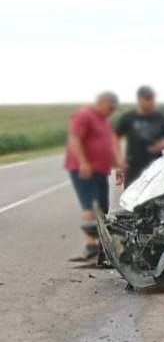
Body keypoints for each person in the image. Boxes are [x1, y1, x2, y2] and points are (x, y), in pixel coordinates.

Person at [65, 92, 121, 261]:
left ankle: (103, 245)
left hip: (100, 170)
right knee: (89, 206)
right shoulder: (84, 115)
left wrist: (117, 164)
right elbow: (75, 140)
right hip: (84, 170)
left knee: (103, 207)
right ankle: (90, 245)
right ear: (102, 102)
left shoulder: (103, 119)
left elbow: (110, 143)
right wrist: (83, 162)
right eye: (110, 107)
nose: (111, 111)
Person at [115, 85, 164, 187]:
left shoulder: (160, 118)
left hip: (156, 167)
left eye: (152, 99)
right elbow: (115, 139)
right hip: (133, 167)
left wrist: (161, 145)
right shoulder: (128, 118)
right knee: (131, 199)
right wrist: (119, 162)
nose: (151, 102)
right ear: (139, 100)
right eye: (147, 99)